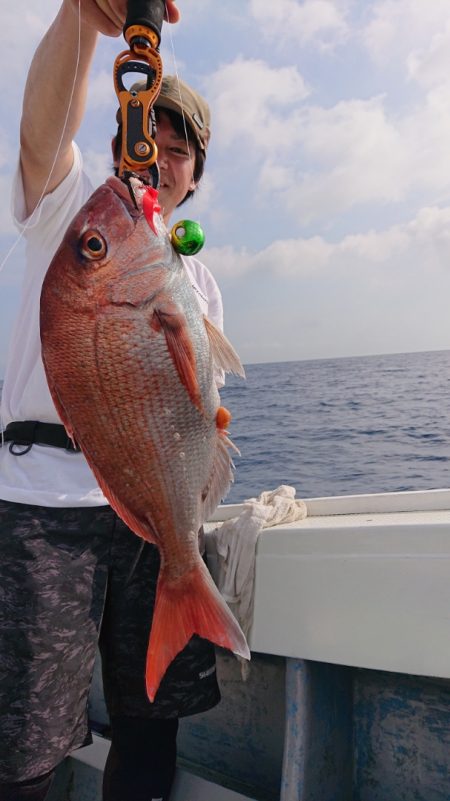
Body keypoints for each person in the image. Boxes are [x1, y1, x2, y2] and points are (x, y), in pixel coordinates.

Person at [0, 2, 226, 800]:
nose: (160, 160)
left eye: (178, 151)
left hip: (151, 517)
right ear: (119, 146)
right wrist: (78, 16)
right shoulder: (73, 216)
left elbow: (198, 415)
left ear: (195, 173)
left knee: (148, 727)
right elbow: (37, 135)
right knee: (24, 749)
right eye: (149, 144)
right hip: (42, 509)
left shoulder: (197, 284)